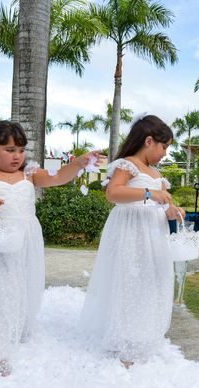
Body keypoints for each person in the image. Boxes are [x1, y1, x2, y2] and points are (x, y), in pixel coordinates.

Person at [0, 120, 103, 376]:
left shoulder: (30, 174)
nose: (17, 156)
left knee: (21, 283)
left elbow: (56, 178)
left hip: (25, 239)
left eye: (20, 150)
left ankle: (15, 327)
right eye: (9, 150)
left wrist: (77, 164)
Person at [79, 114, 185, 368]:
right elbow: (113, 193)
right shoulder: (128, 165)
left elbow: (159, 203)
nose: (164, 153)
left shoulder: (156, 173)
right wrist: (150, 193)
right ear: (149, 141)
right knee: (130, 282)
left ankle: (144, 333)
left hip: (152, 234)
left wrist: (170, 209)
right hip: (130, 231)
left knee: (150, 281)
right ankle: (125, 340)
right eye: (164, 147)